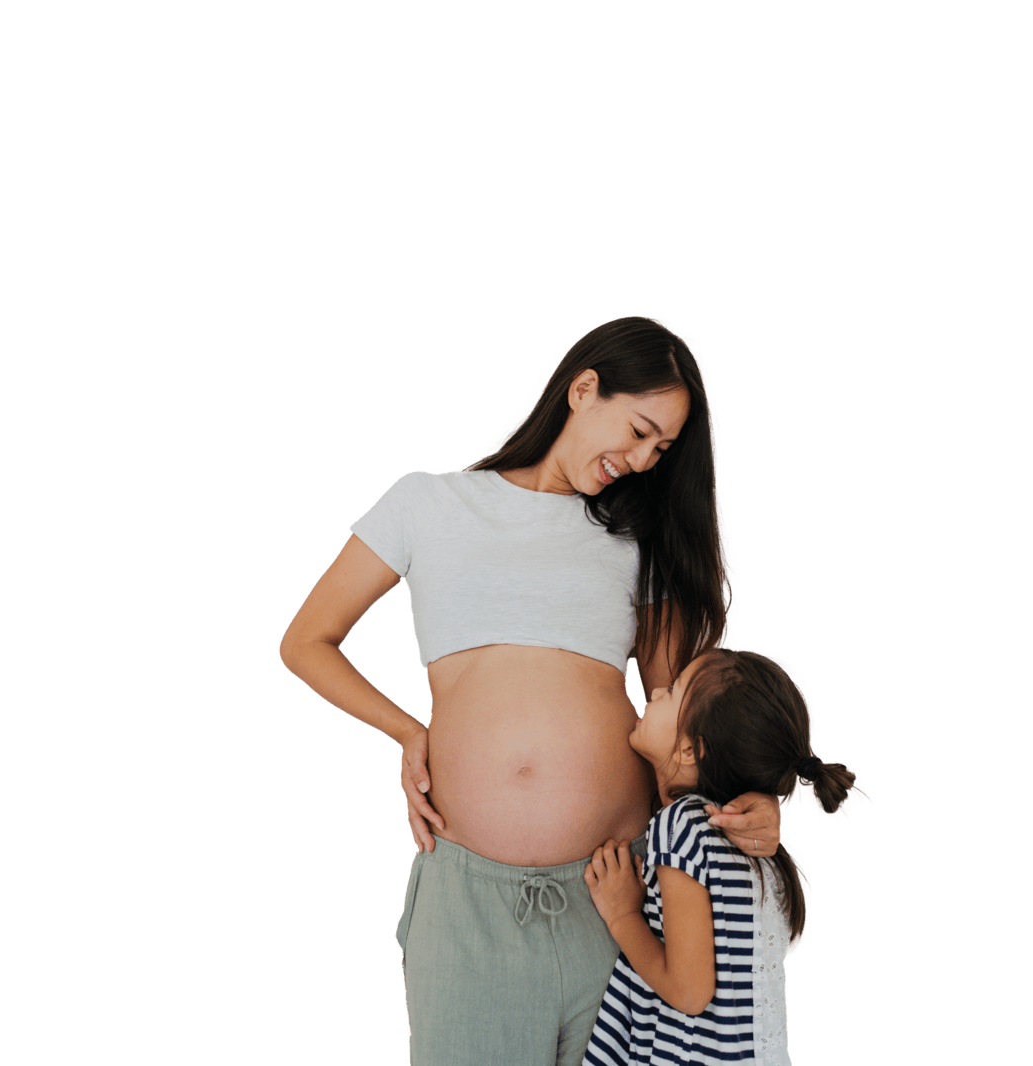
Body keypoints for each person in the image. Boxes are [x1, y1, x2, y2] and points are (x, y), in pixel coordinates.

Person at [278, 314, 785, 1065]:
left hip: (616, 895)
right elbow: (306, 640)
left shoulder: (637, 540)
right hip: (467, 905)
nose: (644, 459)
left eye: (662, 449)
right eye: (640, 430)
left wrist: (757, 805)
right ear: (584, 389)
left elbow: (683, 711)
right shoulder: (429, 503)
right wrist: (409, 732)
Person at [581, 648, 869, 1066]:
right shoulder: (755, 847)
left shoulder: (681, 828)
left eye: (674, 690)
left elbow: (690, 992)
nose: (657, 689)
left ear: (689, 751)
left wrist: (622, 915)